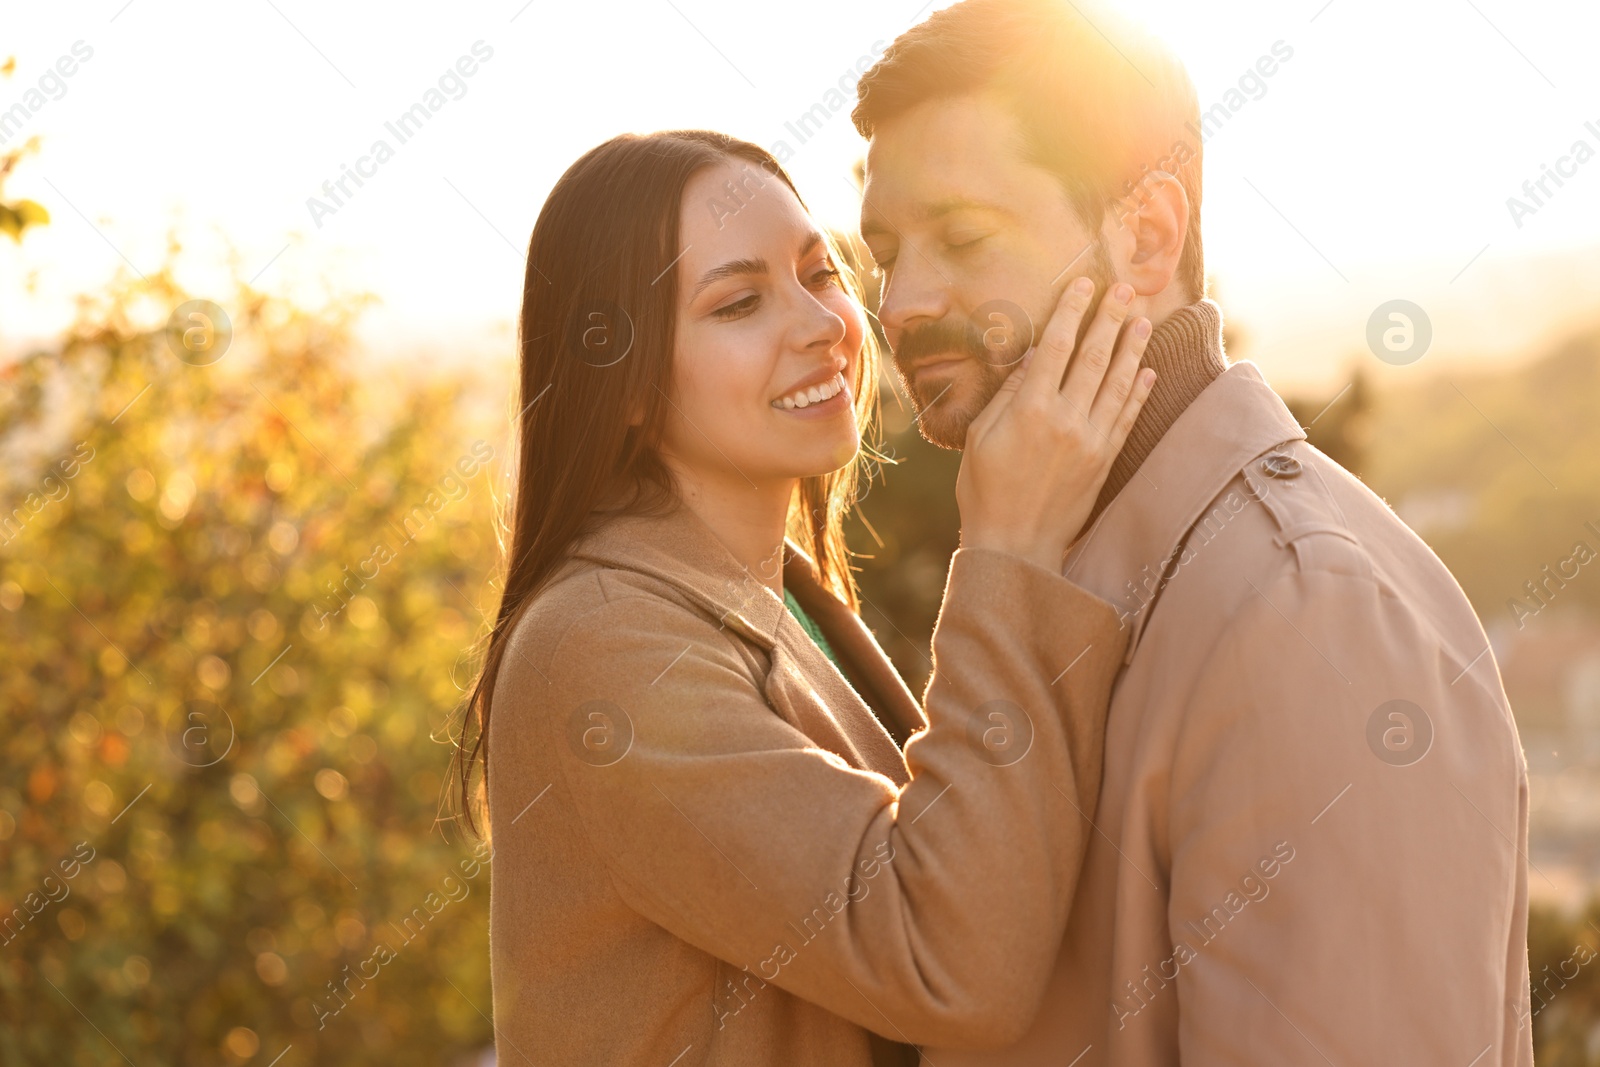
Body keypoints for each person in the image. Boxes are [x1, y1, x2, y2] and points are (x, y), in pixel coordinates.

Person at [850, 1, 1532, 1064]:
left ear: (1145, 236)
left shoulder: (1303, 616)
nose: (899, 301)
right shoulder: (1060, 567)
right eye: (885, 250)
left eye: (963, 236)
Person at [453, 128, 1158, 1065]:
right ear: (618, 383)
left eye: (820, 272)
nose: (823, 322)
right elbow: (951, 962)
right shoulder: (604, 645)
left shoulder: (769, 587)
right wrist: (1009, 551)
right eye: (740, 302)